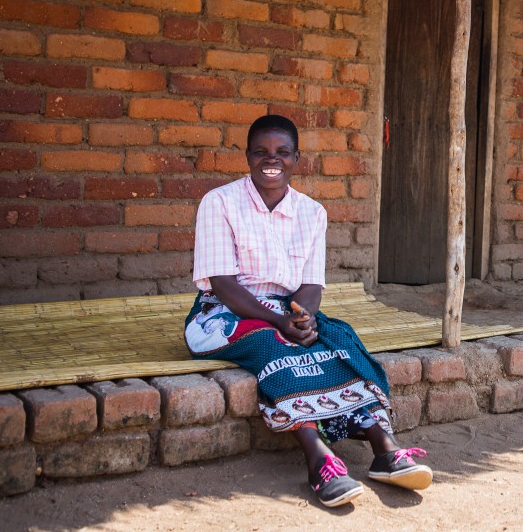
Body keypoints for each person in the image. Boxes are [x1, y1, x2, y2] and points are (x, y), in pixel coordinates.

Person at [184, 114, 431, 508]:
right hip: (223, 315)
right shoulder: (220, 203)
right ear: (247, 157)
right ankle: (320, 460)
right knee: (274, 344)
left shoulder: (312, 212)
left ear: (296, 159)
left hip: (286, 309)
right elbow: (224, 286)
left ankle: (384, 449)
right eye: (262, 152)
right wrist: (281, 323)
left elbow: (311, 285)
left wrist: (302, 317)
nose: (272, 159)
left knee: (339, 339)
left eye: (282, 152)